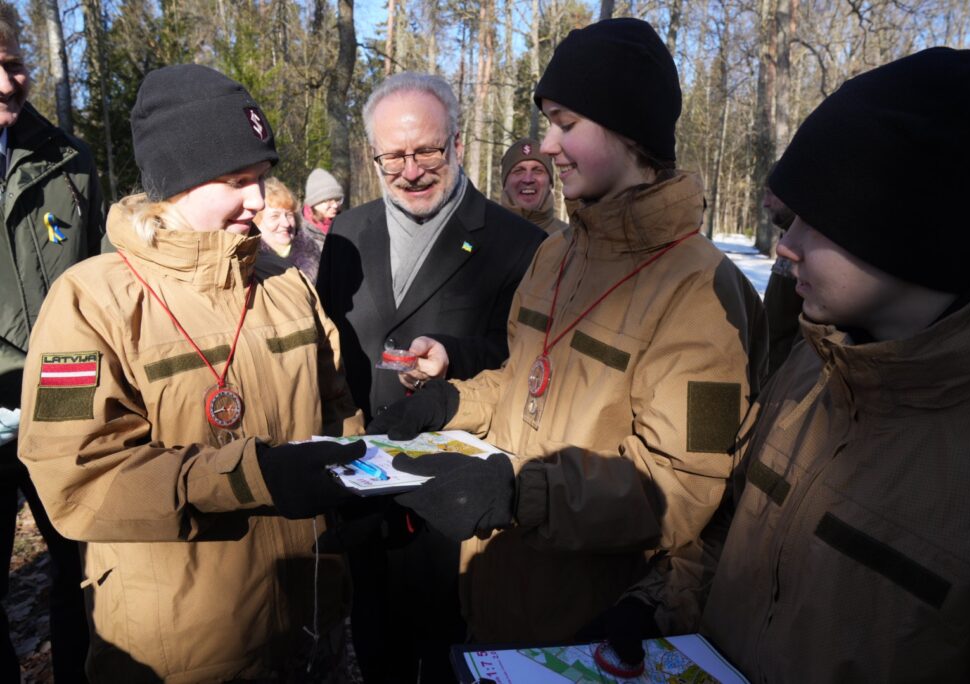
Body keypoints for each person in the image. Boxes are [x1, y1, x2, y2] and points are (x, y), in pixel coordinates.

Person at [618, 47, 970, 682]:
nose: (785, 246)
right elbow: (730, 529)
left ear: (913, 230)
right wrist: (659, 604)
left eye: (819, 219)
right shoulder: (815, 365)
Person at [370, 18, 767, 646]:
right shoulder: (556, 254)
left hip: (585, 625)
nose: (549, 146)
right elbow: (521, 380)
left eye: (566, 123)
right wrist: (452, 403)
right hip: (495, 591)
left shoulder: (704, 290)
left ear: (629, 130)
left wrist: (523, 495)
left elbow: (685, 484)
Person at [18, 64, 367, 681]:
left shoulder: (286, 285)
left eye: (262, 177)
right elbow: (76, 480)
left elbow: (339, 413)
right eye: (237, 180)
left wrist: (370, 492)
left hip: (312, 626)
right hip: (183, 652)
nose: (258, 200)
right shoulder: (90, 302)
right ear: (176, 182)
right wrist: (249, 478)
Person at [317, 72, 545, 683]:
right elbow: (328, 348)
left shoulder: (518, 244)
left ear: (458, 144)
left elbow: (529, 359)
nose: (411, 171)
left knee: (449, 656)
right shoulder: (347, 234)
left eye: (427, 151)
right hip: (365, 485)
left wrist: (455, 355)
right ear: (373, 155)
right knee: (377, 647)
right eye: (393, 156)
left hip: (456, 502)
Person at [0, 3, 103, 680]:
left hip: (63, 395)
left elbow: (100, 282)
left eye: (13, 64)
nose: (7, 83)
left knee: (85, 566)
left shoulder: (70, 161)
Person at [760, 181, 802, 377]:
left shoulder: (808, 247)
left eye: (771, 194)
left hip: (789, 376)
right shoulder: (788, 239)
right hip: (771, 370)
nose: (765, 203)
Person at [256, 176, 322, 282]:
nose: (286, 224)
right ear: (256, 222)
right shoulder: (249, 263)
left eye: (289, 215)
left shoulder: (313, 253)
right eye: (275, 216)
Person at [499, 137, 568, 234]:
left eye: (538, 171)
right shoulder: (483, 235)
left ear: (550, 183)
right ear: (505, 183)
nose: (528, 179)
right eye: (518, 171)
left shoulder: (572, 238)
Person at [302, 167, 344, 243]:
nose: (335, 205)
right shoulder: (299, 232)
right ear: (314, 203)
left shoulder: (345, 224)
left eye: (337, 200)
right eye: (329, 201)